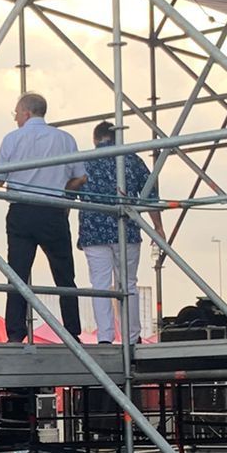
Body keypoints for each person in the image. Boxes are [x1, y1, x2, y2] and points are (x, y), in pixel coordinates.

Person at [0, 92, 84, 344]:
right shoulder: (65, 139)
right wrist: (64, 192)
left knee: (17, 273)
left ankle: (15, 332)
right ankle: (72, 331)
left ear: (26, 113)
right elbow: (80, 176)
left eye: (16, 114)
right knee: (64, 274)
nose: (16, 118)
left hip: (21, 210)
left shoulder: (12, 139)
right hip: (53, 210)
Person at [77, 120, 161, 345]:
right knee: (128, 284)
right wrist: (157, 226)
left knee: (100, 284)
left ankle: (105, 337)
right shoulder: (131, 159)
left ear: (96, 139)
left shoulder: (84, 161)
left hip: (93, 230)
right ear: (117, 139)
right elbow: (151, 193)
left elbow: (69, 190)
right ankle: (132, 337)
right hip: (127, 228)